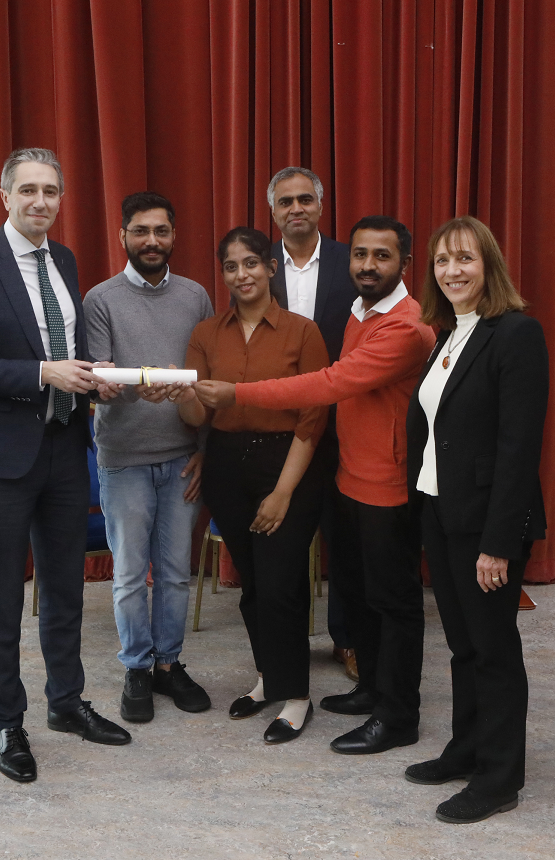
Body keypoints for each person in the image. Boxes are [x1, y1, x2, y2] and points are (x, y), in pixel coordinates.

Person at [196, 216, 436, 755]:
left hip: (389, 483)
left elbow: (332, 384)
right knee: (362, 597)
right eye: (360, 255)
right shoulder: (358, 312)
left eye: (382, 256)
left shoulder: (406, 327)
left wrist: (239, 394)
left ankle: (398, 716)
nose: (368, 266)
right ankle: (372, 687)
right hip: (349, 477)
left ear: (404, 264)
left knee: (395, 603)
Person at [0, 148, 130, 784]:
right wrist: (41, 373)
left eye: (50, 190)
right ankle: (6, 721)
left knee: (66, 588)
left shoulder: (65, 260)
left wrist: (89, 375)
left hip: (63, 446)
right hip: (1, 458)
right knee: (2, 598)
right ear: (4, 197)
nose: (40, 202)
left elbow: (66, 346)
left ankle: (67, 702)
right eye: (27, 190)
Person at [404, 216, 548, 825]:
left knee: (492, 649)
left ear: (488, 264)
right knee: (463, 644)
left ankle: (499, 776)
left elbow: (519, 448)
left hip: (486, 524)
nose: (452, 270)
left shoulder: (515, 334)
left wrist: (499, 543)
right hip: (441, 510)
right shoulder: (448, 335)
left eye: (464, 258)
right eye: (441, 261)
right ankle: (466, 747)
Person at [177, 227, 329, 743]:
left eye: (251, 264)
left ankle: (298, 696)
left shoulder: (302, 332)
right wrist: (177, 393)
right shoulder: (205, 333)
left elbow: (313, 418)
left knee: (283, 583)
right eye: (231, 266)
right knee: (253, 585)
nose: (241, 275)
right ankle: (268, 680)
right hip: (226, 465)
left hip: (287, 462)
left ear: (270, 268)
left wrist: (284, 491)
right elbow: (196, 412)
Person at [84, 191, 213, 723]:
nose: (152, 241)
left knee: (178, 573)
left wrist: (204, 450)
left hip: (182, 456)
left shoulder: (196, 297)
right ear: (123, 237)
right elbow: (97, 378)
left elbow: (205, 379)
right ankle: (136, 667)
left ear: (174, 235)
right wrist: (114, 387)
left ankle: (169, 664)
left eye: (161, 231)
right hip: (125, 459)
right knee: (131, 574)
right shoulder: (100, 299)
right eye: (140, 231)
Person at [267, 166, 358, 680]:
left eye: (305, 199)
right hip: (281, 424)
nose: (296, 208)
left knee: (346, 537)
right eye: (286, 201)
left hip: (347, 421)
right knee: (286, 539)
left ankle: (347, 639)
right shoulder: (256, 264)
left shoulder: (353, 262)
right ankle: (287, 645)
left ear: (321, 207)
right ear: (274, 212)